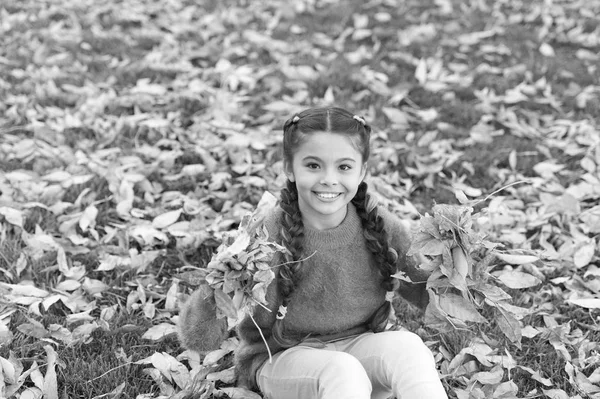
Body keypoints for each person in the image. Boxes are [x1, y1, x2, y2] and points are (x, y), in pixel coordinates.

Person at [178, 107, 448, 399]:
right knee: (342, 370)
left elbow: (426, 294)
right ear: (290, 168)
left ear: (362, 171)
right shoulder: (265, 236)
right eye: (313, 165)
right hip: (282, 358)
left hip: (362, 345)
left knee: (409, 347)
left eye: (344, 167)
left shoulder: (379, 224)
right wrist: (218, 286)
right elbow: (199, 339)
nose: (329, 179)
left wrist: (456, 277)